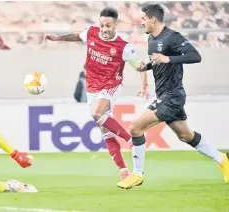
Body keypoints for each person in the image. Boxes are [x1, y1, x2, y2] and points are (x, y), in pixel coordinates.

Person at [117, 4, 229, 189]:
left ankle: (137, 174)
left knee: (135, 128)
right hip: (164, 95)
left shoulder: (172, 37)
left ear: (153, 19)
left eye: (144, 19)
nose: (141, 22)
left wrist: (170, 59)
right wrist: (146, 66)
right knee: (185, 135)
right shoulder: (152, 39)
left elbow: (195, 56)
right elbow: (159, 60)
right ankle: (223, 159)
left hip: (172, 95)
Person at [45, 7, 149, 181]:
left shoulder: (123, 47)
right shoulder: (91, 33)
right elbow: (77, 36)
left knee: (97, 114)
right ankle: (123, 171)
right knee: (104, 129)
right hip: (92, 87)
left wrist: (144, 86)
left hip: (111, 85)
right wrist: (57, 38)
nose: (104, 29)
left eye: (108, 25)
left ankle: (131, 141)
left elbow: (141, 66)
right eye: (102, 25)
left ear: (115, 24)